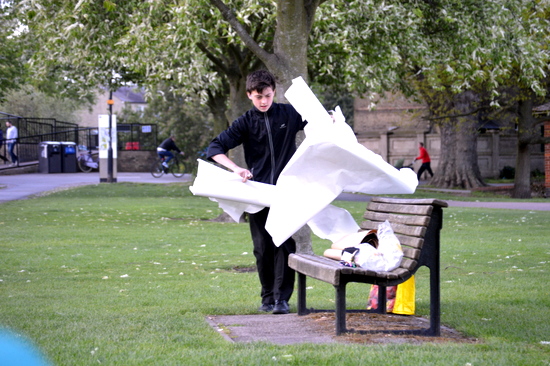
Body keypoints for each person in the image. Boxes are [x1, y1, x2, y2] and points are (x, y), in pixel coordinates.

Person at [206, 70, 307, 315]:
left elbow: (318, 123)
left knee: (283, 244)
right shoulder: (245, 122)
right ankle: (267, 297)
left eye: (268, 96)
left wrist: (330, 120)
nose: (264, 101)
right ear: (249, 94)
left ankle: (282, 300)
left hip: (286, 192)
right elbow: (214, 148)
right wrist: (237, 168)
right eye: (259, 96)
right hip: (258, 194)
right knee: (262, 248)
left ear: (274, 92)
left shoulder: (289, 114)